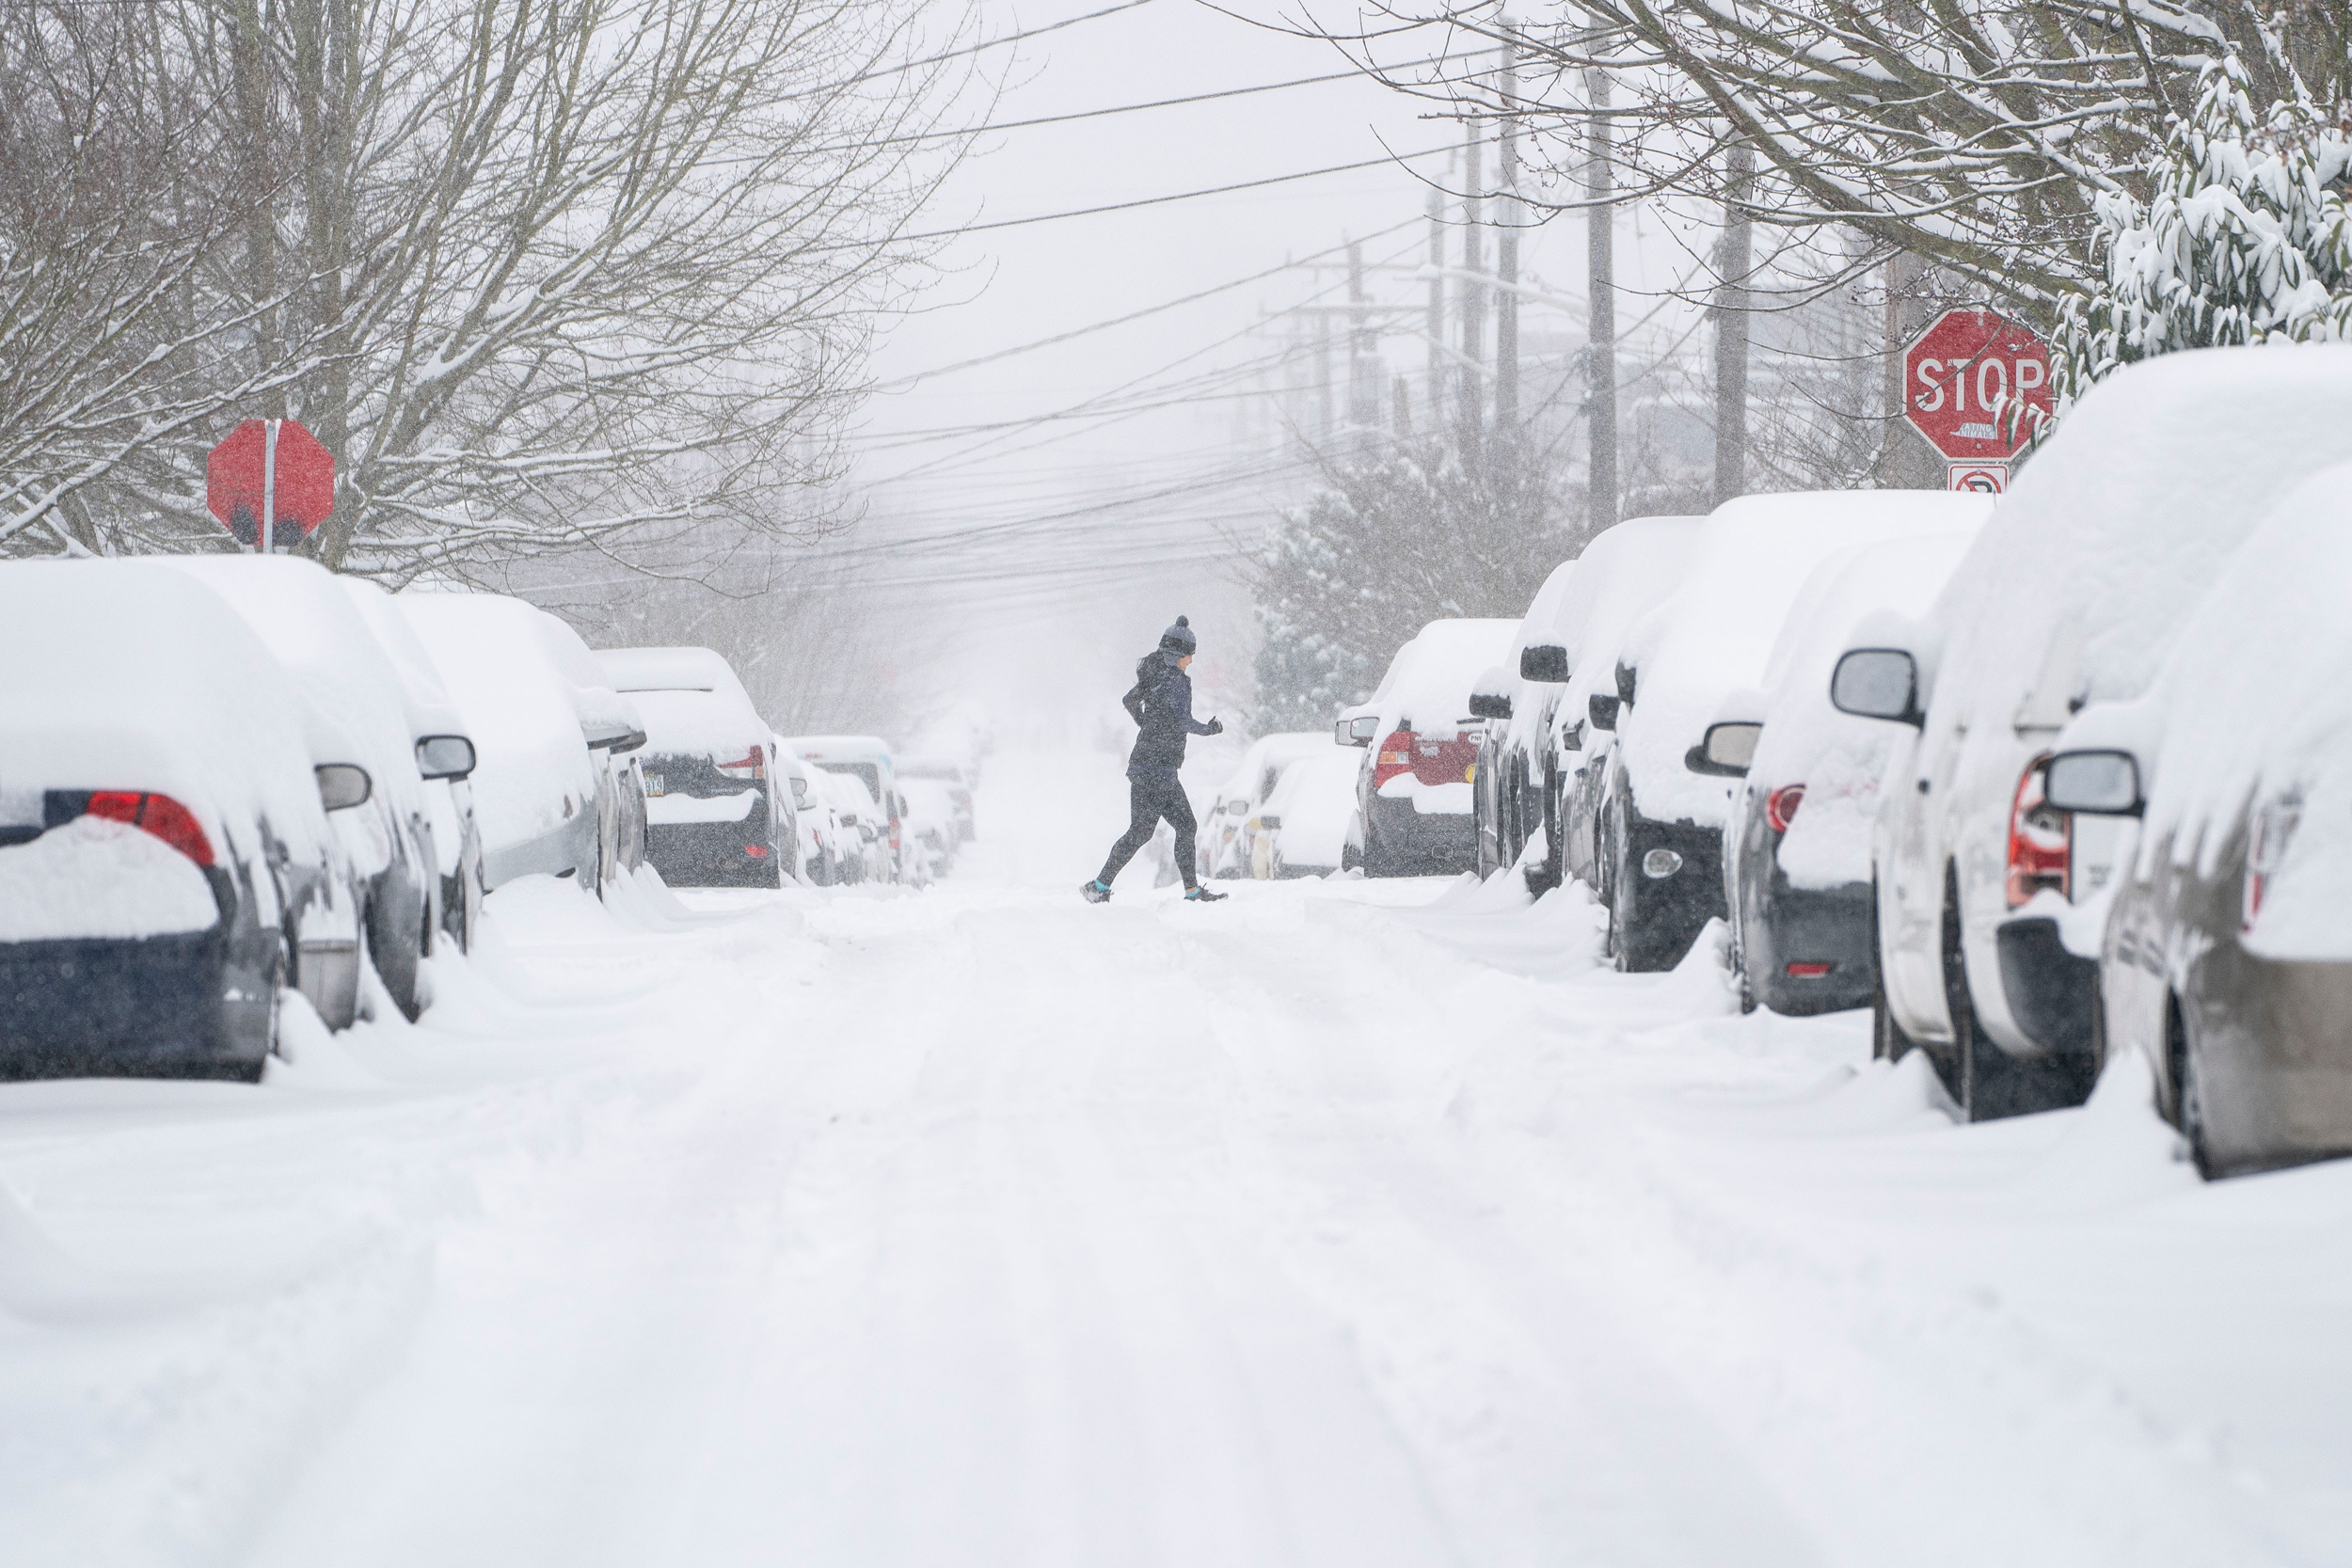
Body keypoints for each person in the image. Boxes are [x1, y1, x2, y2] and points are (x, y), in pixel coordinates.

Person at [1081, 616, 1228, 903]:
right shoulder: (1175, 681)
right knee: (1177, 827)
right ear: (1178, 655)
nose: (1191, 662)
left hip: (1145, 765)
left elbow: (1129, 700)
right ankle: (1189, 891)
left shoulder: (1155, 674)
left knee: (1145, 831)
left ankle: (1099, 887)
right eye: (1189, 655)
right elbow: (1184, 721)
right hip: (1159, 769)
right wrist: (1209, 730)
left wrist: (1146, 723)